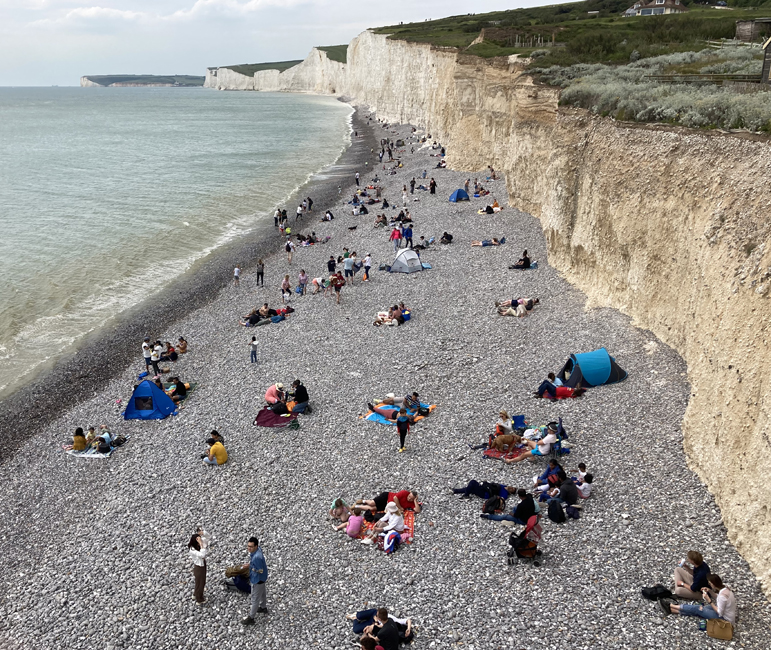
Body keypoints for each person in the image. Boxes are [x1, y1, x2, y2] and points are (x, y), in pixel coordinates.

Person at [660, 574, 735, 626]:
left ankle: (670, 605)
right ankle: (673, 610)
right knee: (700, 610)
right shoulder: (726, 589)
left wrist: (709, 600)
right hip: (726, 614)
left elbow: (719, 612)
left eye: (710, 584)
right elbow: (717, 597)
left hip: (724, 619)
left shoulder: (722, 596)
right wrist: (710, 591)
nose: (709, 584)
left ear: (713, 584)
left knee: (698, 608)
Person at [241, 537, 269, 624]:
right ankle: (263, 607)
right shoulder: (258, 551)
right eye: (248, 546)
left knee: (255, 599)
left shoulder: (257, 557)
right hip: (262, 578)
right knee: (263, 593)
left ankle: (251, 618)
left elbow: (260, 570)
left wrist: (249, 566)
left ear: (256, 546)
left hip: (257, 579)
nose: (249, 548)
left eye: (251, 547)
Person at [188, 528, 210, 604]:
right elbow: (202, 555)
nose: (200, 540)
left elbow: (208, 537)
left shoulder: (197, 544)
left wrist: (203, 532)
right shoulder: (192, 549)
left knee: (198, 582)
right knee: (201, 582)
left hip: (202, 564)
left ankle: (195, 594)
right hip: (198, 567)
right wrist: (201, 545)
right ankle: (199, 599)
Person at [451, 480, 517, 500]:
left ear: (510, 493)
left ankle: (466, 496)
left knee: (473, 482)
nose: (511, 488)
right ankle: (455, 491)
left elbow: (501, 499)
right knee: (471, 488)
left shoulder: (505, 494)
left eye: (512, 490)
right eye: (513, 487)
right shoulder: (504, 486)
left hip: (485, 494)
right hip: (485, 488)